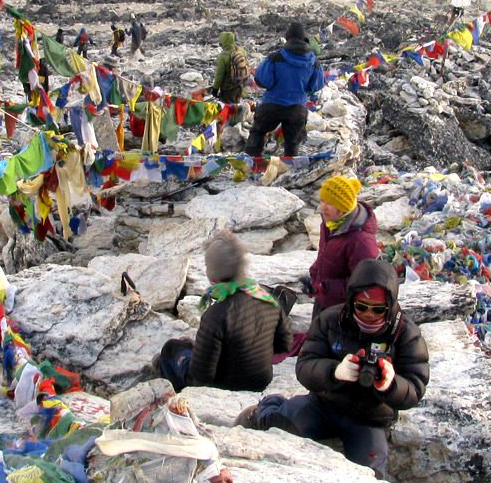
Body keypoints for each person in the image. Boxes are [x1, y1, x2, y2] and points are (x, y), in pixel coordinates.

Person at [236, 259, 430, 479]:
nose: (368, 314)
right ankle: (264, 410)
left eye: (378, 309)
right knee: (283, 423)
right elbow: (305, 365)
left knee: (369, 473)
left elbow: (415, 387)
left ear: (390, 304)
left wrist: (390, 384)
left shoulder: (405, 334)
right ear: (351, 300)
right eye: (361, 306)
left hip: (370, 418)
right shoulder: (330, 320)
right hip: (324, 404)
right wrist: (335, 371)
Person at [156, 231, 293, 392]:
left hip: (225, 386)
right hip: (261, 380)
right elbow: (284, 344)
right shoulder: (268, 300)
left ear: (212, 273)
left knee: (172, 349)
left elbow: (201, 376)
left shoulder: (215, 315)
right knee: (191, 345)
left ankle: (172, 396)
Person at [244, 22, 323, 159]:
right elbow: (316, 85)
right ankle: (288, 169)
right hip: (297, 108)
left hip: (272, 105)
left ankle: (252, 164)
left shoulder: (275, 57)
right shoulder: (314, 62)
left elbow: (262, 80)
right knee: (292, 143)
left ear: (287, 38)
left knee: (258, 133)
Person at [305, 175, 379, 316]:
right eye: (322, 201)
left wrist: (324, 287)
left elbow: (364, 283)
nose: (322, 208)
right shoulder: (331, 223)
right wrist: (314, 276)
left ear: (343, 208)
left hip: (344, 311)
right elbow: (325, 254)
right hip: (325, 300)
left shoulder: (361, 241)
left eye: (330, 203)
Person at [211, 31, 250, 104]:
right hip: (240, 86)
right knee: (237, 106)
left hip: (228, 88)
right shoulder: (241, 50)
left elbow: (219, 76)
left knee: (228, 109)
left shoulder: (223, 57)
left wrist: (215, 90)